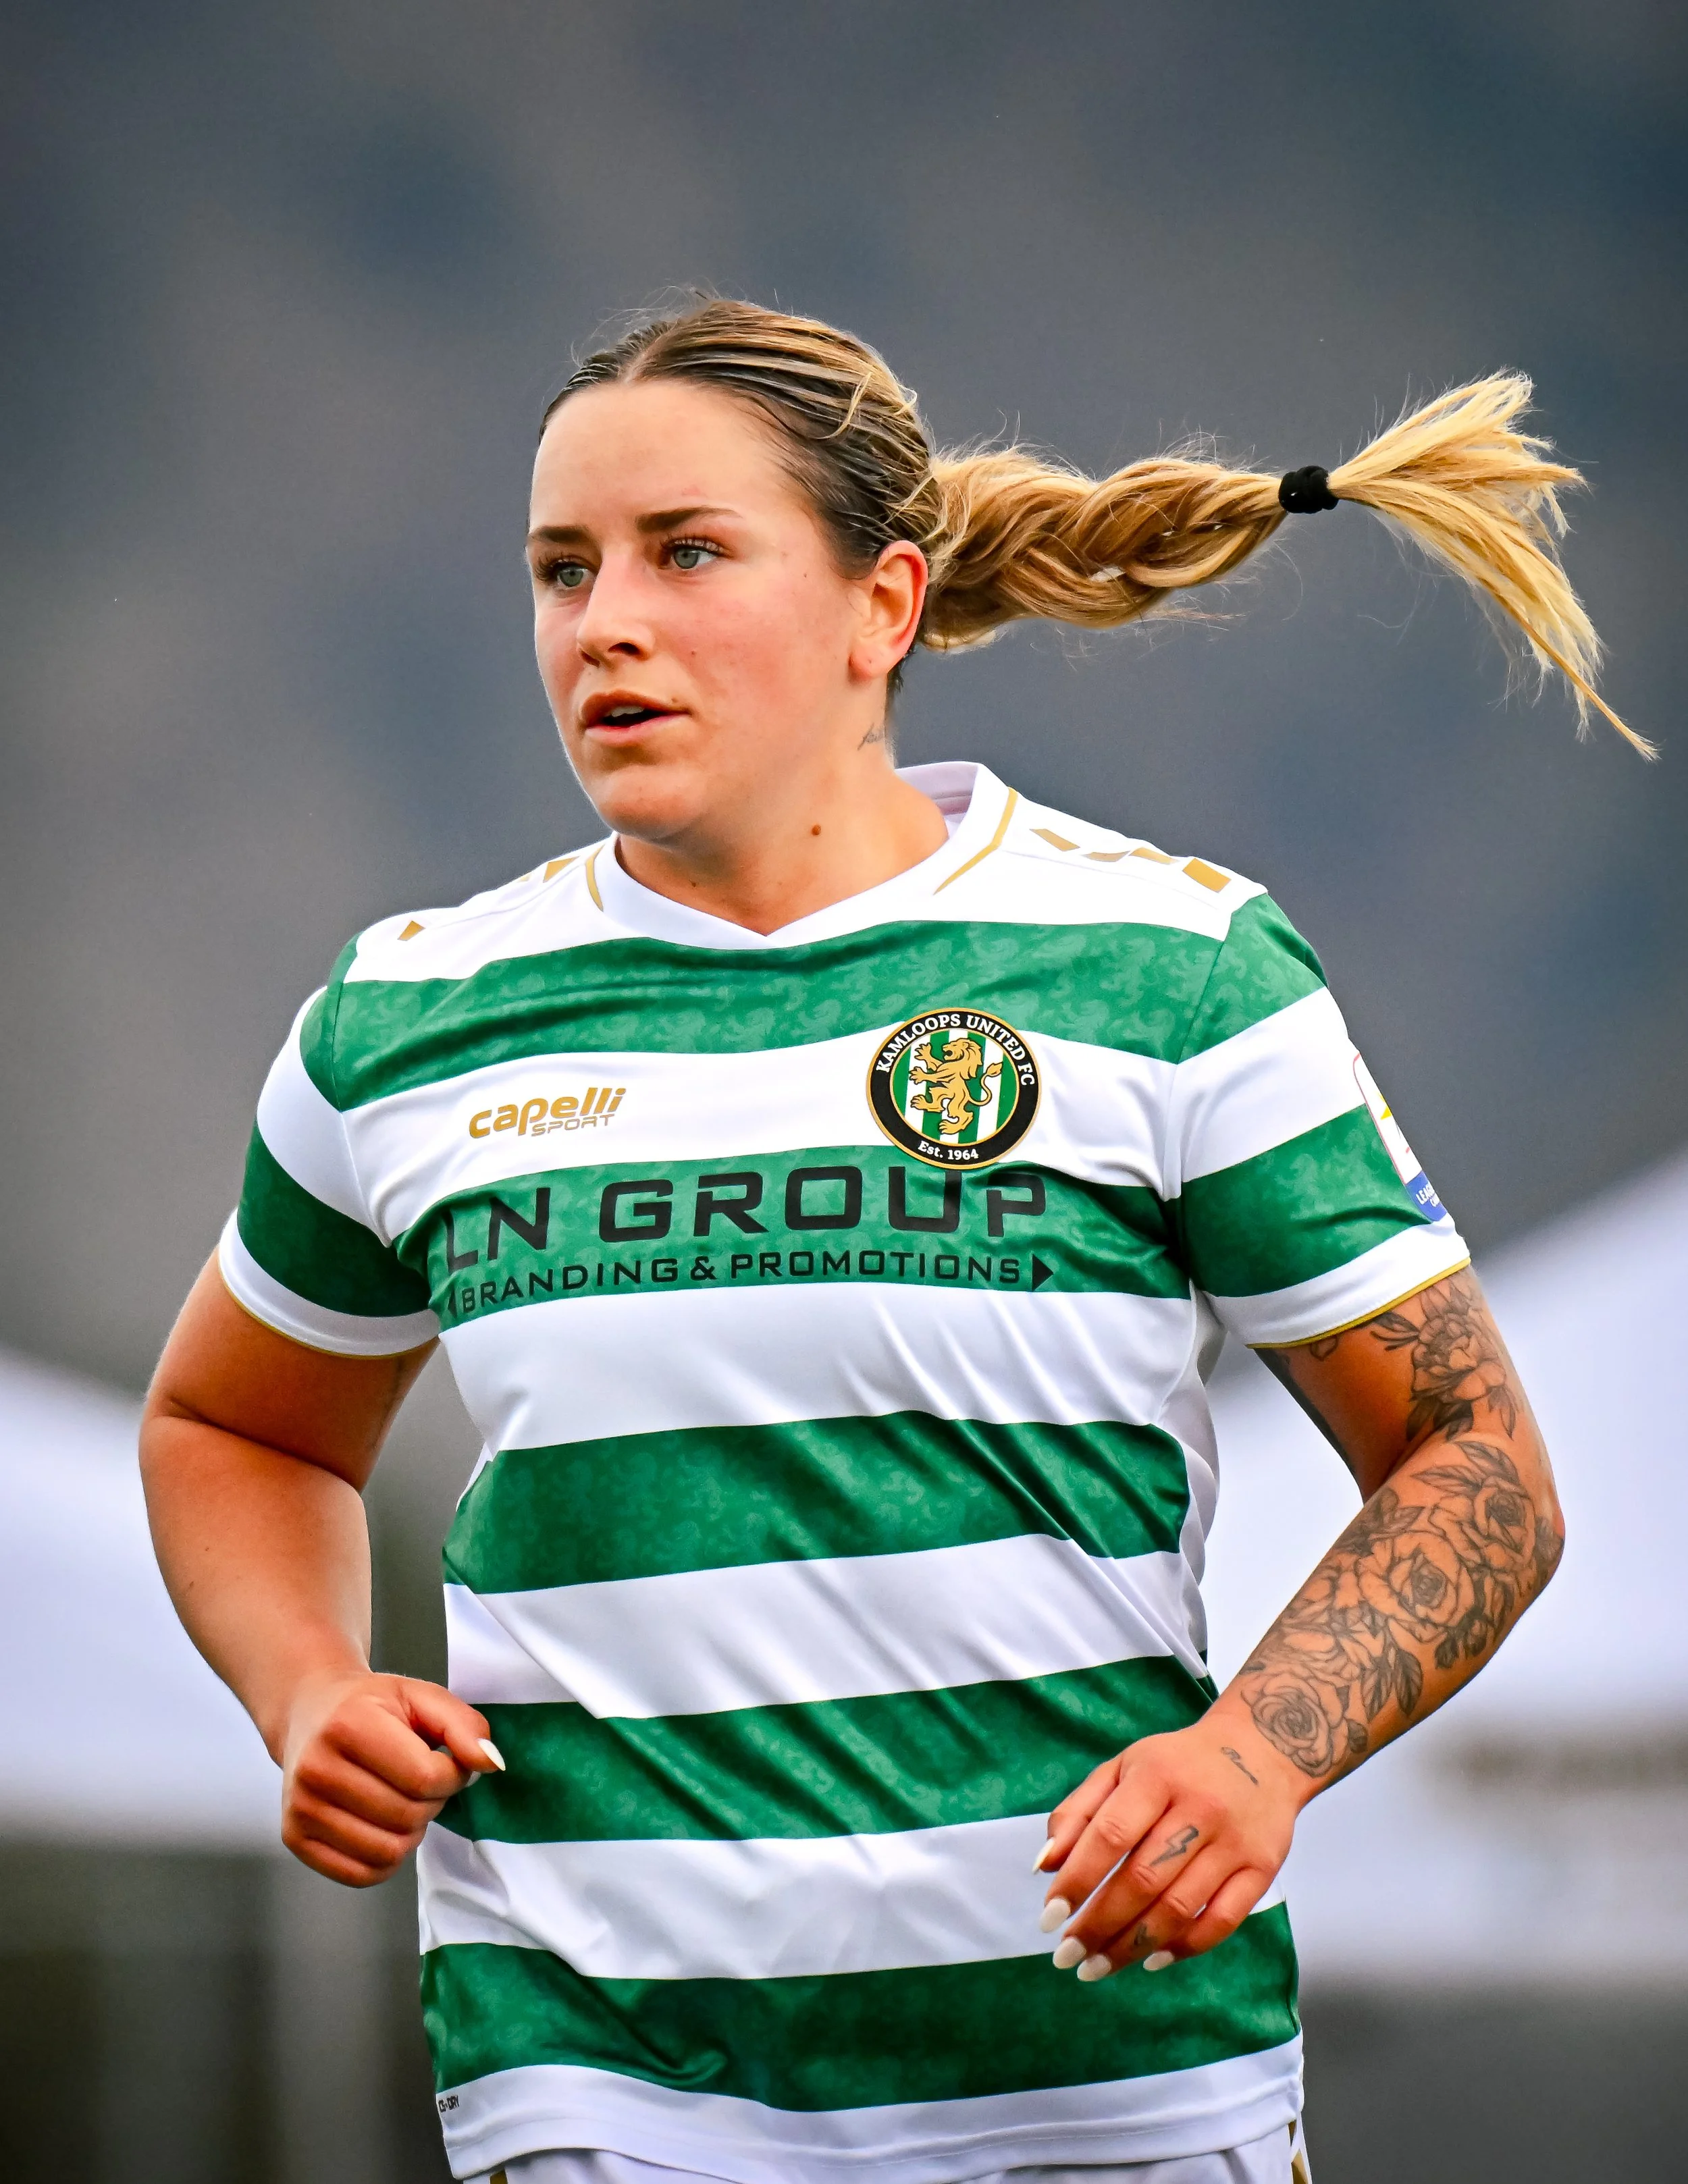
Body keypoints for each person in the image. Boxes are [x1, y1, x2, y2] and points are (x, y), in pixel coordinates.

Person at [141, 300, 1638, 2184]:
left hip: (1112, 2081)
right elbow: (238, 1427)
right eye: (558, 568)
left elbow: (1472, 1464)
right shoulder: (409, 1016)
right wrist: (307, 1685)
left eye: (687, 554)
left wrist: (1256, 1755)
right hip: (599, 2076)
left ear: (885, 609)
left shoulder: (1168, 971)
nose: (606, 620)